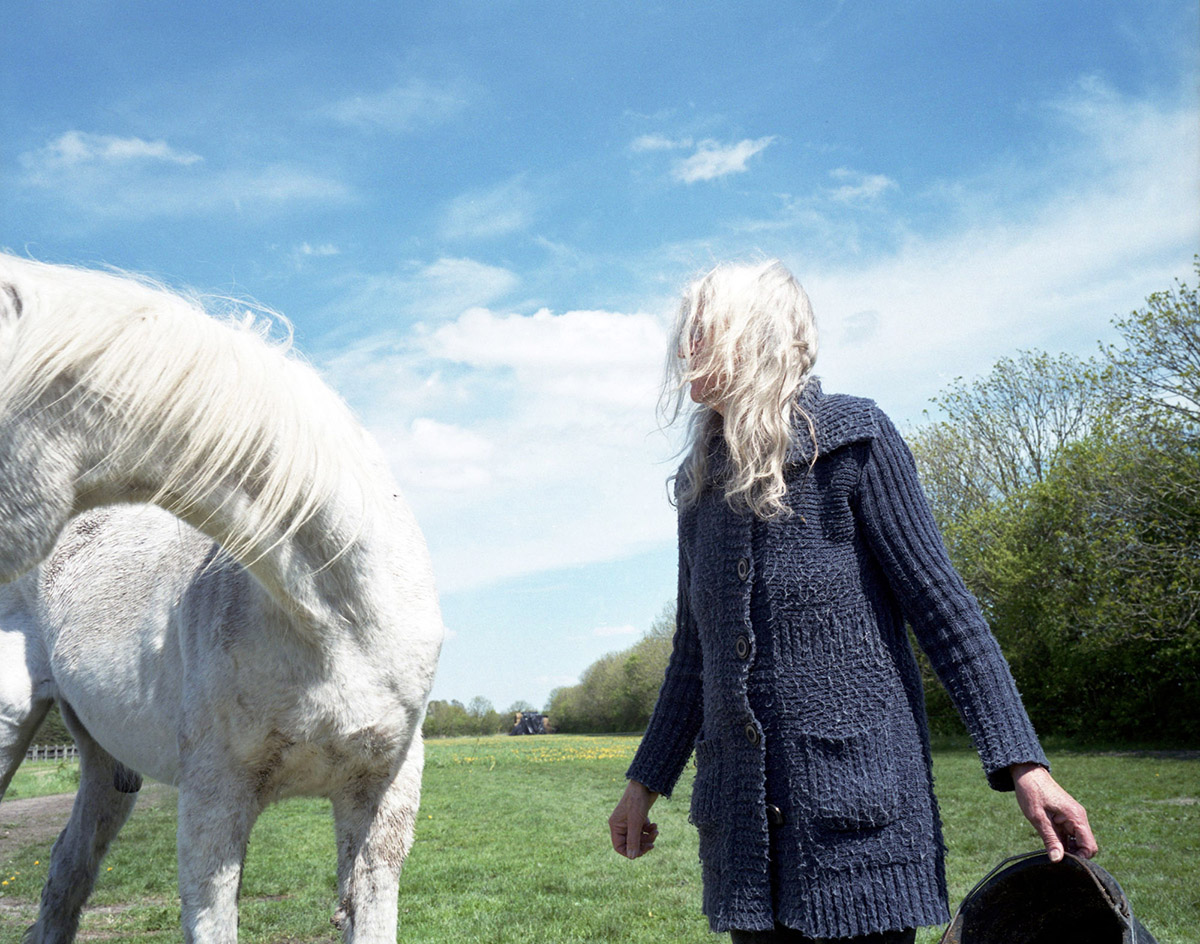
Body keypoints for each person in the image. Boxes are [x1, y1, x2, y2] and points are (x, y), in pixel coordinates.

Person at [608, 260, 1097, 944]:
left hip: (859, 829)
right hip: (744, 846)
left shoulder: (854, 442)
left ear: (756, 336)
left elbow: (946, 615)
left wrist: (1025, 764)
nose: (683, 345)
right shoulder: (700, 490)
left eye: (701, 327)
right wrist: (644, 785)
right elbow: (694, 661)